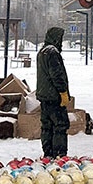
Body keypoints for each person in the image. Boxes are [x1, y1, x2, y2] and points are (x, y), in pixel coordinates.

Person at [35, 25, 72, 158]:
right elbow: (57, 75)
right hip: (54, 96)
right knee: (60, 125)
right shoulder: (53, 53)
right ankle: (59, 154)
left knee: (47, 126)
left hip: (44, 96)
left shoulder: (42, 51)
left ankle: (48, 153)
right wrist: (63, 92)